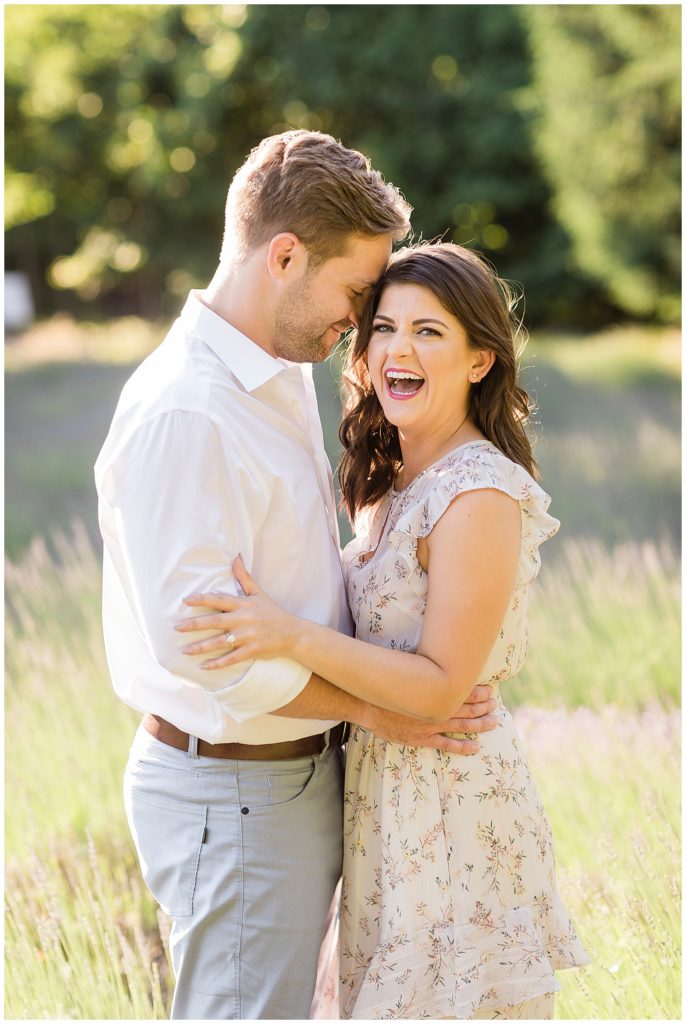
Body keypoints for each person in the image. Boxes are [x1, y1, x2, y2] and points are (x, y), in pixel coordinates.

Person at [94, 132, 498, 1021]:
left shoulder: (270, 377)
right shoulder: (191, 412)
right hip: (236, 790)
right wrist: (381, 708)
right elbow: (215, 657)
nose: (360, 321)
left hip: (288, 782)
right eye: (358, 293)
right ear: (284, 256)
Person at [175, 241, 591, 1019]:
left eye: (430, 332)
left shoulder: (478, 495)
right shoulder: (387, 481)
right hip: (380, 800)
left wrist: (287, 634)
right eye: (385, 328)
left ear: (480, 361)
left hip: (453, 802)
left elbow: (440, 686)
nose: (399, 348)